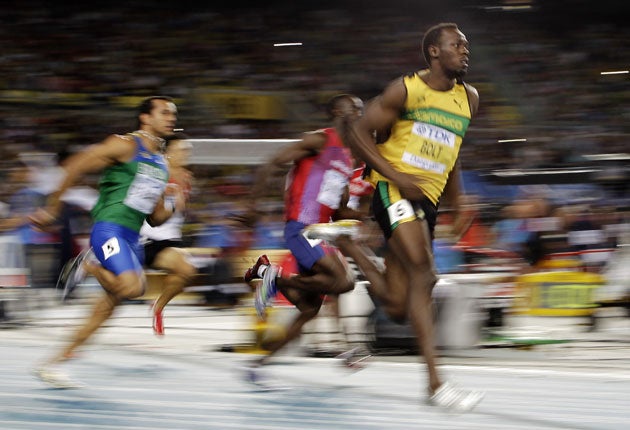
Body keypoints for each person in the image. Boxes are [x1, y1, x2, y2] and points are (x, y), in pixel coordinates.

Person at [316, 23, 484, 411]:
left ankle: (348, 246)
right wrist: (395, 177)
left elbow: (454, 152)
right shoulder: (405, 89)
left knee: (395, 304)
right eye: (456, 44)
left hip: (428, 200)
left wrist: (458, 202)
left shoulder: (469, 99)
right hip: (393, 191)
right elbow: (358, 132)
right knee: (425, 274)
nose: (464, 49)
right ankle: (436, 385)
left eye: (466, 44)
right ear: (434, 53)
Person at [30, 95, 180, 388]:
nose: (172, 118)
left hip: (132, 239)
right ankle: (87, 265)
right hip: (109, 230)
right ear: (145, 118)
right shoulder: (124, 144)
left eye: (174, 114)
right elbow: (75, 165)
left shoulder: (162, 164)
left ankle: (55, 363)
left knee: (105, 310)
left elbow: (155, 219)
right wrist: (53, 207)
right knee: (135, 287)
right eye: (164, 113)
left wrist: (172, 202)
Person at [240, 94, 366, 384]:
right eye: (353, 107)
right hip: (302, 227)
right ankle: (274, 279)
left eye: (362, 109)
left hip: (321, 231)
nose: (359, 113)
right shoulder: (319, 140)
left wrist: (368, 215)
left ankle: (260, 363)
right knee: (343, 281)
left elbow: (339, 207)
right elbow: (272, 162)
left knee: (310, 310)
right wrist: (251, 206)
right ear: (337, 110)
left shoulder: (348, 159)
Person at [140, 132, 197, 336]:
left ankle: (157, 307)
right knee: (123, 287)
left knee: (186, 273)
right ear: (168, 153)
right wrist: (170, 201)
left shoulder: (186, 177)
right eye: (181, 150)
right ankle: (89, 264)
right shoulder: (157, 173)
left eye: (187, 151)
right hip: (149, 237)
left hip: (171, 239)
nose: (186, 154)